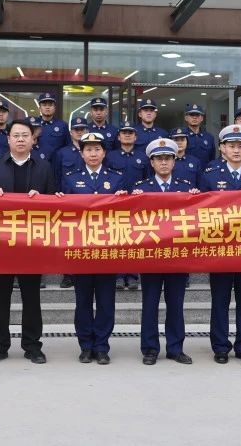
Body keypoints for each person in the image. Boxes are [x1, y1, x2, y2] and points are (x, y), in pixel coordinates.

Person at [0, 118, 56, 364]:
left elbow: (55, 205)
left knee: (31, 297)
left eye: (25, 135)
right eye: (16, 135)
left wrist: (42, 199)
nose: (21, 139)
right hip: (1, 243)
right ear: (8, 139)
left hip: (32, 243)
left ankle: (32, 346)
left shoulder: (44, 167)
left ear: (33, 139)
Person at [199, 124, 241, 364]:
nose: (236, 150)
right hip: (220, 250)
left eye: (240, 146)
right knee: (220, 301)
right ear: (222, 149)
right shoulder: (210, 176)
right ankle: (220, 346)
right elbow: (200, 213)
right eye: (231, 146)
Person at [131, 138, 200, 365]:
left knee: (176, 304)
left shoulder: (186, 188)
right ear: (151, 163)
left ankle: (175, 348)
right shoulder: (141, 189)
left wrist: (198, 198)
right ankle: (150, 349)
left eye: (168, 158)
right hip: (150, 257)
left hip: (177, 257)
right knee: (150, 304)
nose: (163, 163)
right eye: (159, 159)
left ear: (174, 161)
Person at [61, 132, 127, 364]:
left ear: (104, 152)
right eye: (88, 149)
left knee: (106, 302)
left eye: (97, 149)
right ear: (81, 153)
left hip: (107, 250)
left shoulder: (117, 179)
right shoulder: (70, 179)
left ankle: (102, 346)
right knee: (83, 302)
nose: (93, 153)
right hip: (81, 250)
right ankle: (86, 345)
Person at [105, 120, 149, 290]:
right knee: (117, 239)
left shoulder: (143, 157)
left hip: (137, 204)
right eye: (124, 133)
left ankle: (132, 276)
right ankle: (118, 275)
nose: (127, 135)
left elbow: (147, 179)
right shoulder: (110, 156)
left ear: (136, 137)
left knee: (134, 240)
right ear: (118, 137)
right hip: (116, 203)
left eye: (131, 133)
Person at [52, 117, 88, 183]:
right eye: (76, 129)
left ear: (87, 131)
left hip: (88, 188)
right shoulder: (61, 153)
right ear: (71, 132)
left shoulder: (92, 152)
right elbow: (56, 177)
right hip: (67, 189)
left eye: (82, 129)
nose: (79, 132)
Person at [35, 92, 69, 161]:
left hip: (56, 163)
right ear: (39, 108)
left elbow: (68, 146)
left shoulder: (63, 125)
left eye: (50, 105)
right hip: (37, 162)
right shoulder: (33, 124)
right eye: (44, 105)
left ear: (54, 108)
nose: (47, 107)